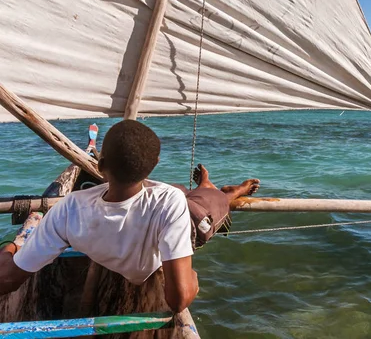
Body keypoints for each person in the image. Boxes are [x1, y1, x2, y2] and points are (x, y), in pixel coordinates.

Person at [0, 120, 258, 313]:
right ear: (154, 165)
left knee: (184, 194)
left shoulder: (69, 208)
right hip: (184, 214)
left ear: (100, 167)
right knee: (211, 203)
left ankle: (212, 187)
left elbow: (7, 278)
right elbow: (179, 300)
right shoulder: (169, 201)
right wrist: (191, 277)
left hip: (168, 202)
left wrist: (11, 247)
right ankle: (228, 191)